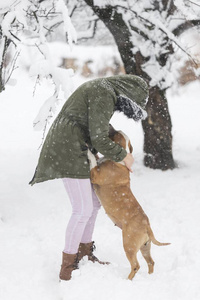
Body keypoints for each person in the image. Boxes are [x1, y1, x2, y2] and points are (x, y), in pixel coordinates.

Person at [29, 74, 148, 281]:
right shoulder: (103, 92)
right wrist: (124, 156)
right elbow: (99, 138)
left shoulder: (103, 90)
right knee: (82, 209)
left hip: (77, 146)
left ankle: (84, 254)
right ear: (128, 94)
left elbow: (97, 126)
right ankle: (67, 267)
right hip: (69, 148)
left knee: (92, 204)